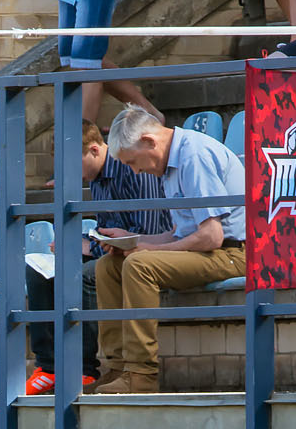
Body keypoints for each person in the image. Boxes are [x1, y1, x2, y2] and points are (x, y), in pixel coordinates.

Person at [91, 106, 244, 396]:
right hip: (211, 251)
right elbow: (178, 234)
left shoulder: (194, 156)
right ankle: (117, 368)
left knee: (139, 265)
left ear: (149, 141)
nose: (136, 171)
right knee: (108, 266)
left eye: (133, 162)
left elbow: (211, 236)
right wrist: (132, 241)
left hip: (236, 253)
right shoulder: (170, 161)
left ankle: (141, 375)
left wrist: (146, 251)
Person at [23, 118, 164, 393]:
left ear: (95, 150)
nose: (71, 174)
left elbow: (147, 231)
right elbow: (106, 229)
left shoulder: (134, 167)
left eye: (73, 165)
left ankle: (85, 369)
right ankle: (49, 366)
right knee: (37, 271)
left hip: (145, 251)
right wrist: (82, 242)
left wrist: (90, 246)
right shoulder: (96, 176)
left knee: (87, 275)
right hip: (112, 250)